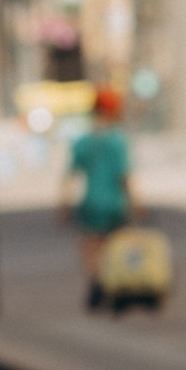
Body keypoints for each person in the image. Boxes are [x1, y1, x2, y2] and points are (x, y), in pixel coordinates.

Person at [61, 87, 138, 308]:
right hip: (115, 203)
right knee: (118, 247)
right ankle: (118, 288)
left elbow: (70, 176)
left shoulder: (83, 141)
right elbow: (125, 177)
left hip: (92, 203)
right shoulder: (117, 141)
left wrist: (64, 205)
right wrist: (136, 204)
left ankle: (97, 282)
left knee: (91, 247)